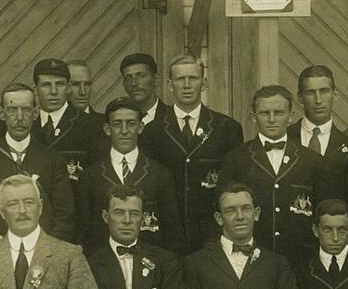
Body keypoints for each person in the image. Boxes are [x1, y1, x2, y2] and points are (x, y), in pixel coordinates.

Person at [141, 55, 243, 254]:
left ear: (204, 83)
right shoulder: (153, 131)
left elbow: (234, 186)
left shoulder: (226, 128)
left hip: (212, 236)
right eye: (180, 79)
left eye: (193, 78)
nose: (186, 85)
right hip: (168, 236)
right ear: (170, 85)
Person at [220, 84, 331, 265]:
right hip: (252, 258)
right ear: (253, 117)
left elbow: (323, 213)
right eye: (264, 113)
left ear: (291, 116)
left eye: (279, 113)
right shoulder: (236, 159)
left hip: (301, 259)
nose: (272, 119)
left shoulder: (312, 161)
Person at [0, 82, 74, 244]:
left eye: (26, 109)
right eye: (12, 110)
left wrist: (49, 247)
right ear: (1, 113)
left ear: (36, 113)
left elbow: (65, 215)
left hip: (44, 252)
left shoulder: (52, 159)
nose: (20, 117)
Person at [74, 96, 184, 254]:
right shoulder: (90, 176)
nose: (124, 131)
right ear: (107, 129)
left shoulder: (160, 174)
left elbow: (173, 234)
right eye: (117, 124)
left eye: (131, 123)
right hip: (102, 267)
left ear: (140, 127)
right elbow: (82, 234)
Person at [288, 66, 348, 252]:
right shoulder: (286, 139)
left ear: (335, 94)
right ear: (300, 98)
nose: (318, 100)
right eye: (311, 93)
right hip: (291, 244)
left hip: (334, 246)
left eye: (324, 91)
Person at [30, 57, 102, 187]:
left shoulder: (91, 125)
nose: (53, 92)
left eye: (59, 84)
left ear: (68, 88)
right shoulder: (27, 125)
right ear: (35, 89)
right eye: (46, 85)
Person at [119, 53, 164, 129]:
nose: (134, 83)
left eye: (141, 76)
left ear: (156, 79)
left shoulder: (173, 118)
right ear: (123, 84)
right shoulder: (116, 121)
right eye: (128, 78)